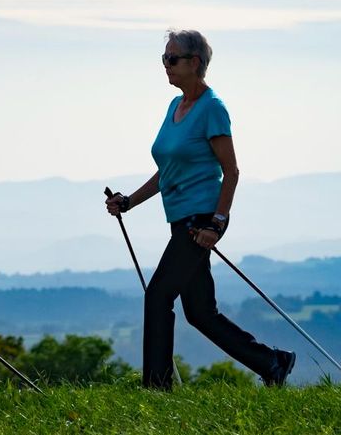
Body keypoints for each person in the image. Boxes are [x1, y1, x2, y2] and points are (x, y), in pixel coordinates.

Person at [105, 29, 294, 390]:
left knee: (158, 295)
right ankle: (272, 362)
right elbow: (168, 172)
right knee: (201, 314)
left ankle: (156, 388)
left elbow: (232, 172)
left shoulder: (212, 109)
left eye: (172, 59)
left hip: (199, 223)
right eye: (163, 58)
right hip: (180, 220)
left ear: (195, 63)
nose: (166, 66)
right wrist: (128, 202)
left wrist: (218, 223)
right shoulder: (174, 107)